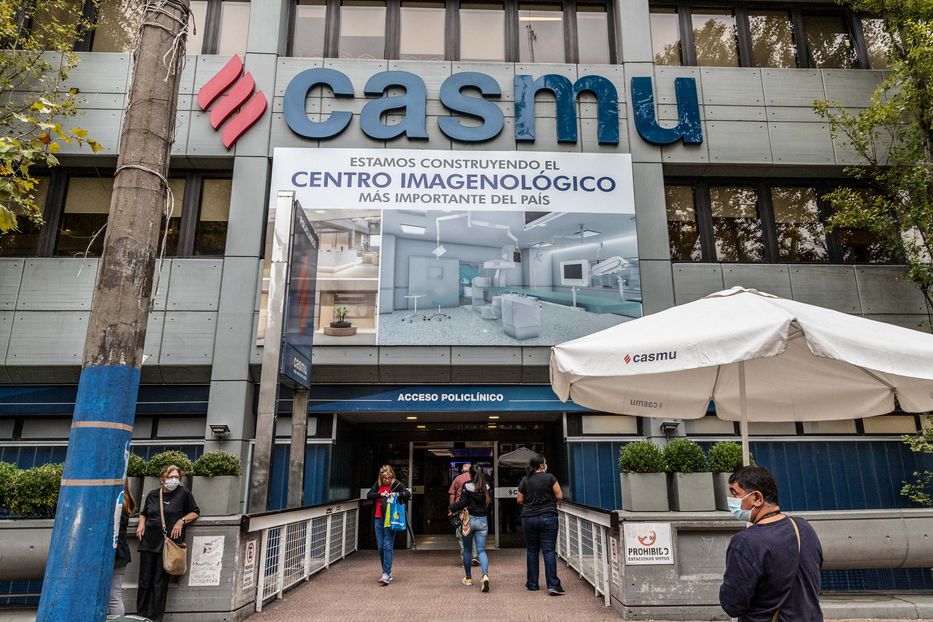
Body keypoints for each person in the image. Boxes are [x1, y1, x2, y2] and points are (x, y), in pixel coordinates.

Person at [720, 466, 823, 622]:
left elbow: (733, 605)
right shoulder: (803, 528)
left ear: (757, 498)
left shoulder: (745, 542)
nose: (730, 499)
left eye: (735, 493)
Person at [135, 464, 200, 622]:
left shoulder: (184, 494)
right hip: (149, 542)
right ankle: (141, 616)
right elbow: (144, 513)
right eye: (171, 477)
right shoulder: (153, 495)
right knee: (144, 581)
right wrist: (141, 524)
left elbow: (195, 512)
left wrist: (181, 521)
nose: (174, 480)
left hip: (168, 545)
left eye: (177, 477)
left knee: (159, 583)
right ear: (162, 479)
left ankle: (154, 618)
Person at [516, 453, 564, 596]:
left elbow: (519, 499)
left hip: (528, 518)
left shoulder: (525, 480)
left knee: (532, 551)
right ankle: (553, 585)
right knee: (548, 551)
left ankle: (532, 584)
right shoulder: (550, 478)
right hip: (548, 517)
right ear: (542, 465)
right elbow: (559, 496)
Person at [366, 464, 411, 585]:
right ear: (381, 477)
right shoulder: (378, 484)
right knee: (380, 546)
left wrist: (396, 494)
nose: (386, 480)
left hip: (390, 519)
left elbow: (407, 494)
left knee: (387, 545)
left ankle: (386, 574)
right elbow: (369, 495)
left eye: (388, 477)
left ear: (392, 476)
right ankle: (386, 572)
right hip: (378, 518)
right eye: (384, 478)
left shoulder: (396, 484)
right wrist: (381, 494)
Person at [449, 465, 492, 591]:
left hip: (469, 520)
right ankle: (485, 575)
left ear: (471, 474)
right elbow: (488, 505)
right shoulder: (487, 487)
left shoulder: (467, 486)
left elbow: (461, 503)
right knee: (481, 550)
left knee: (467, 550)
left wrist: (451, 508)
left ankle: (468, 578)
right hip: (482, 521)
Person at [109, 479, 135, 617]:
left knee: (112, 597)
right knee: (114, 595)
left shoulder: (112, 502)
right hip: (121, 554)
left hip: (113, 553)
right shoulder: (125, 502)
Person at [448, 462, 478, 566]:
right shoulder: (476, 479)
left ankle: (466, 559)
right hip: (473, 509)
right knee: (472, 532)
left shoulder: (457, 479)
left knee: (461, 534)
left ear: (462, 470)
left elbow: (452, 495)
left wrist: (451, 508)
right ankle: (474, 556)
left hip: (460, 509)